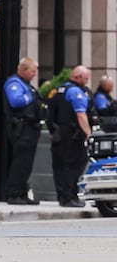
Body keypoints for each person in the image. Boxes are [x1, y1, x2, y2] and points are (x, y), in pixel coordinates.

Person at [47, 65, 94, 208]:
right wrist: (88, 133)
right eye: (85, 79)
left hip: (59, 133)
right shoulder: (75, 92)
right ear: (78, 77)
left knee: (60, 166)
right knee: (73, 165)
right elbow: (81, 114)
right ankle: (69, 197)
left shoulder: (58, 90)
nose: (86, 82)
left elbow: (50, 113)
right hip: (72, 135)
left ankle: (63, 196)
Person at [1, 57, 43, 205]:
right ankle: (14, 194)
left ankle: (23, 193)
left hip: (31, 128)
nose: (35, 74)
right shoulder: (14, 83)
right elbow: (15, 101)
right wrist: (29, 97)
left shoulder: (26, 84)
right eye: (33, 71)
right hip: (21, 128)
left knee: (27, 163)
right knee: (20, 162)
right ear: (23, 70)